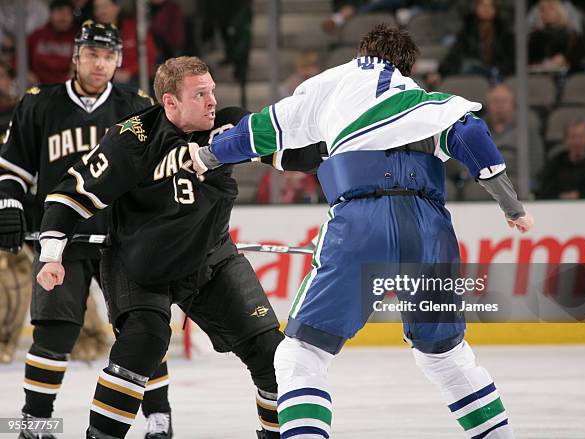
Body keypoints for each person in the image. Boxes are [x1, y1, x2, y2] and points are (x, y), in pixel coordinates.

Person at [192, 23, 534, 438]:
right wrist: (512, 207)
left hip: (361, 221)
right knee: (445, 356)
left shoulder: (335, 84)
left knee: (301, 356)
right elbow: (472, 134)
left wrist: (209, 155)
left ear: (361, 53)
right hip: (430, 230)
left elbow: (260, 131)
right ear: (408, 67)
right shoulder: (426, 102)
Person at [34, 56, 286, 439]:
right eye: (200, 94)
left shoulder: (227, 123)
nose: (212, 101)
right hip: (140, 266)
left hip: (210, 260)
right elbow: (67, 197)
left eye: (212, 91)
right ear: (170, 103)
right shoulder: (131, 138)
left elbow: (289, 150)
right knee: (144, 343)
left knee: (274, 356)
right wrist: (52, 255)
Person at [0, 21, 175, 439]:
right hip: (61, 241)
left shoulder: (137, 107)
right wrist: (7, 203)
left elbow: (159, 175)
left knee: (144, 328)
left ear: (118, 61)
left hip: (123, 240)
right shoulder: (39, 104)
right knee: (54, 332)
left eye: (109, 56)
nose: (101, 63)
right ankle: (35, 423)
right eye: (93, 54)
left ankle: (158, 417)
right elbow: (12, 171)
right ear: (76, 57)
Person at [484, 84, 545, 191]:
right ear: (488, 105)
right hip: (484, 180)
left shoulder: (526, 132)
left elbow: (537, 160)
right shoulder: (477, 130)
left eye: (504, 101)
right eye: (495, 101)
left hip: (516, 179)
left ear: (513, 105)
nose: (500, 105)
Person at [538, 120, 585, 199]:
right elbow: (544, 192)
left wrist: (580, 195)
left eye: (581, 136)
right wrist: (560, 197)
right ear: (565, 140)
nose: (577, 141)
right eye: (573, 137)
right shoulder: (555, 164)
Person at [93, 0, 156, 86]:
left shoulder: (133, 28)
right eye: (97, 8)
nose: (101, 11)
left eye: (105, 6)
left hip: (135, 79)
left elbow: (149, 55)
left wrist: (129, 72)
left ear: (116, 8)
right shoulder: (91, 33)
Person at [27, 0, 77, 85]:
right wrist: (27, 74)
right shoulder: (36, 36)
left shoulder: (77, 38)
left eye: (67, 14)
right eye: (59, 13)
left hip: (66, 87)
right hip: (36, 86)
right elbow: (17, 60)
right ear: (50, 14)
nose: (63, 18)